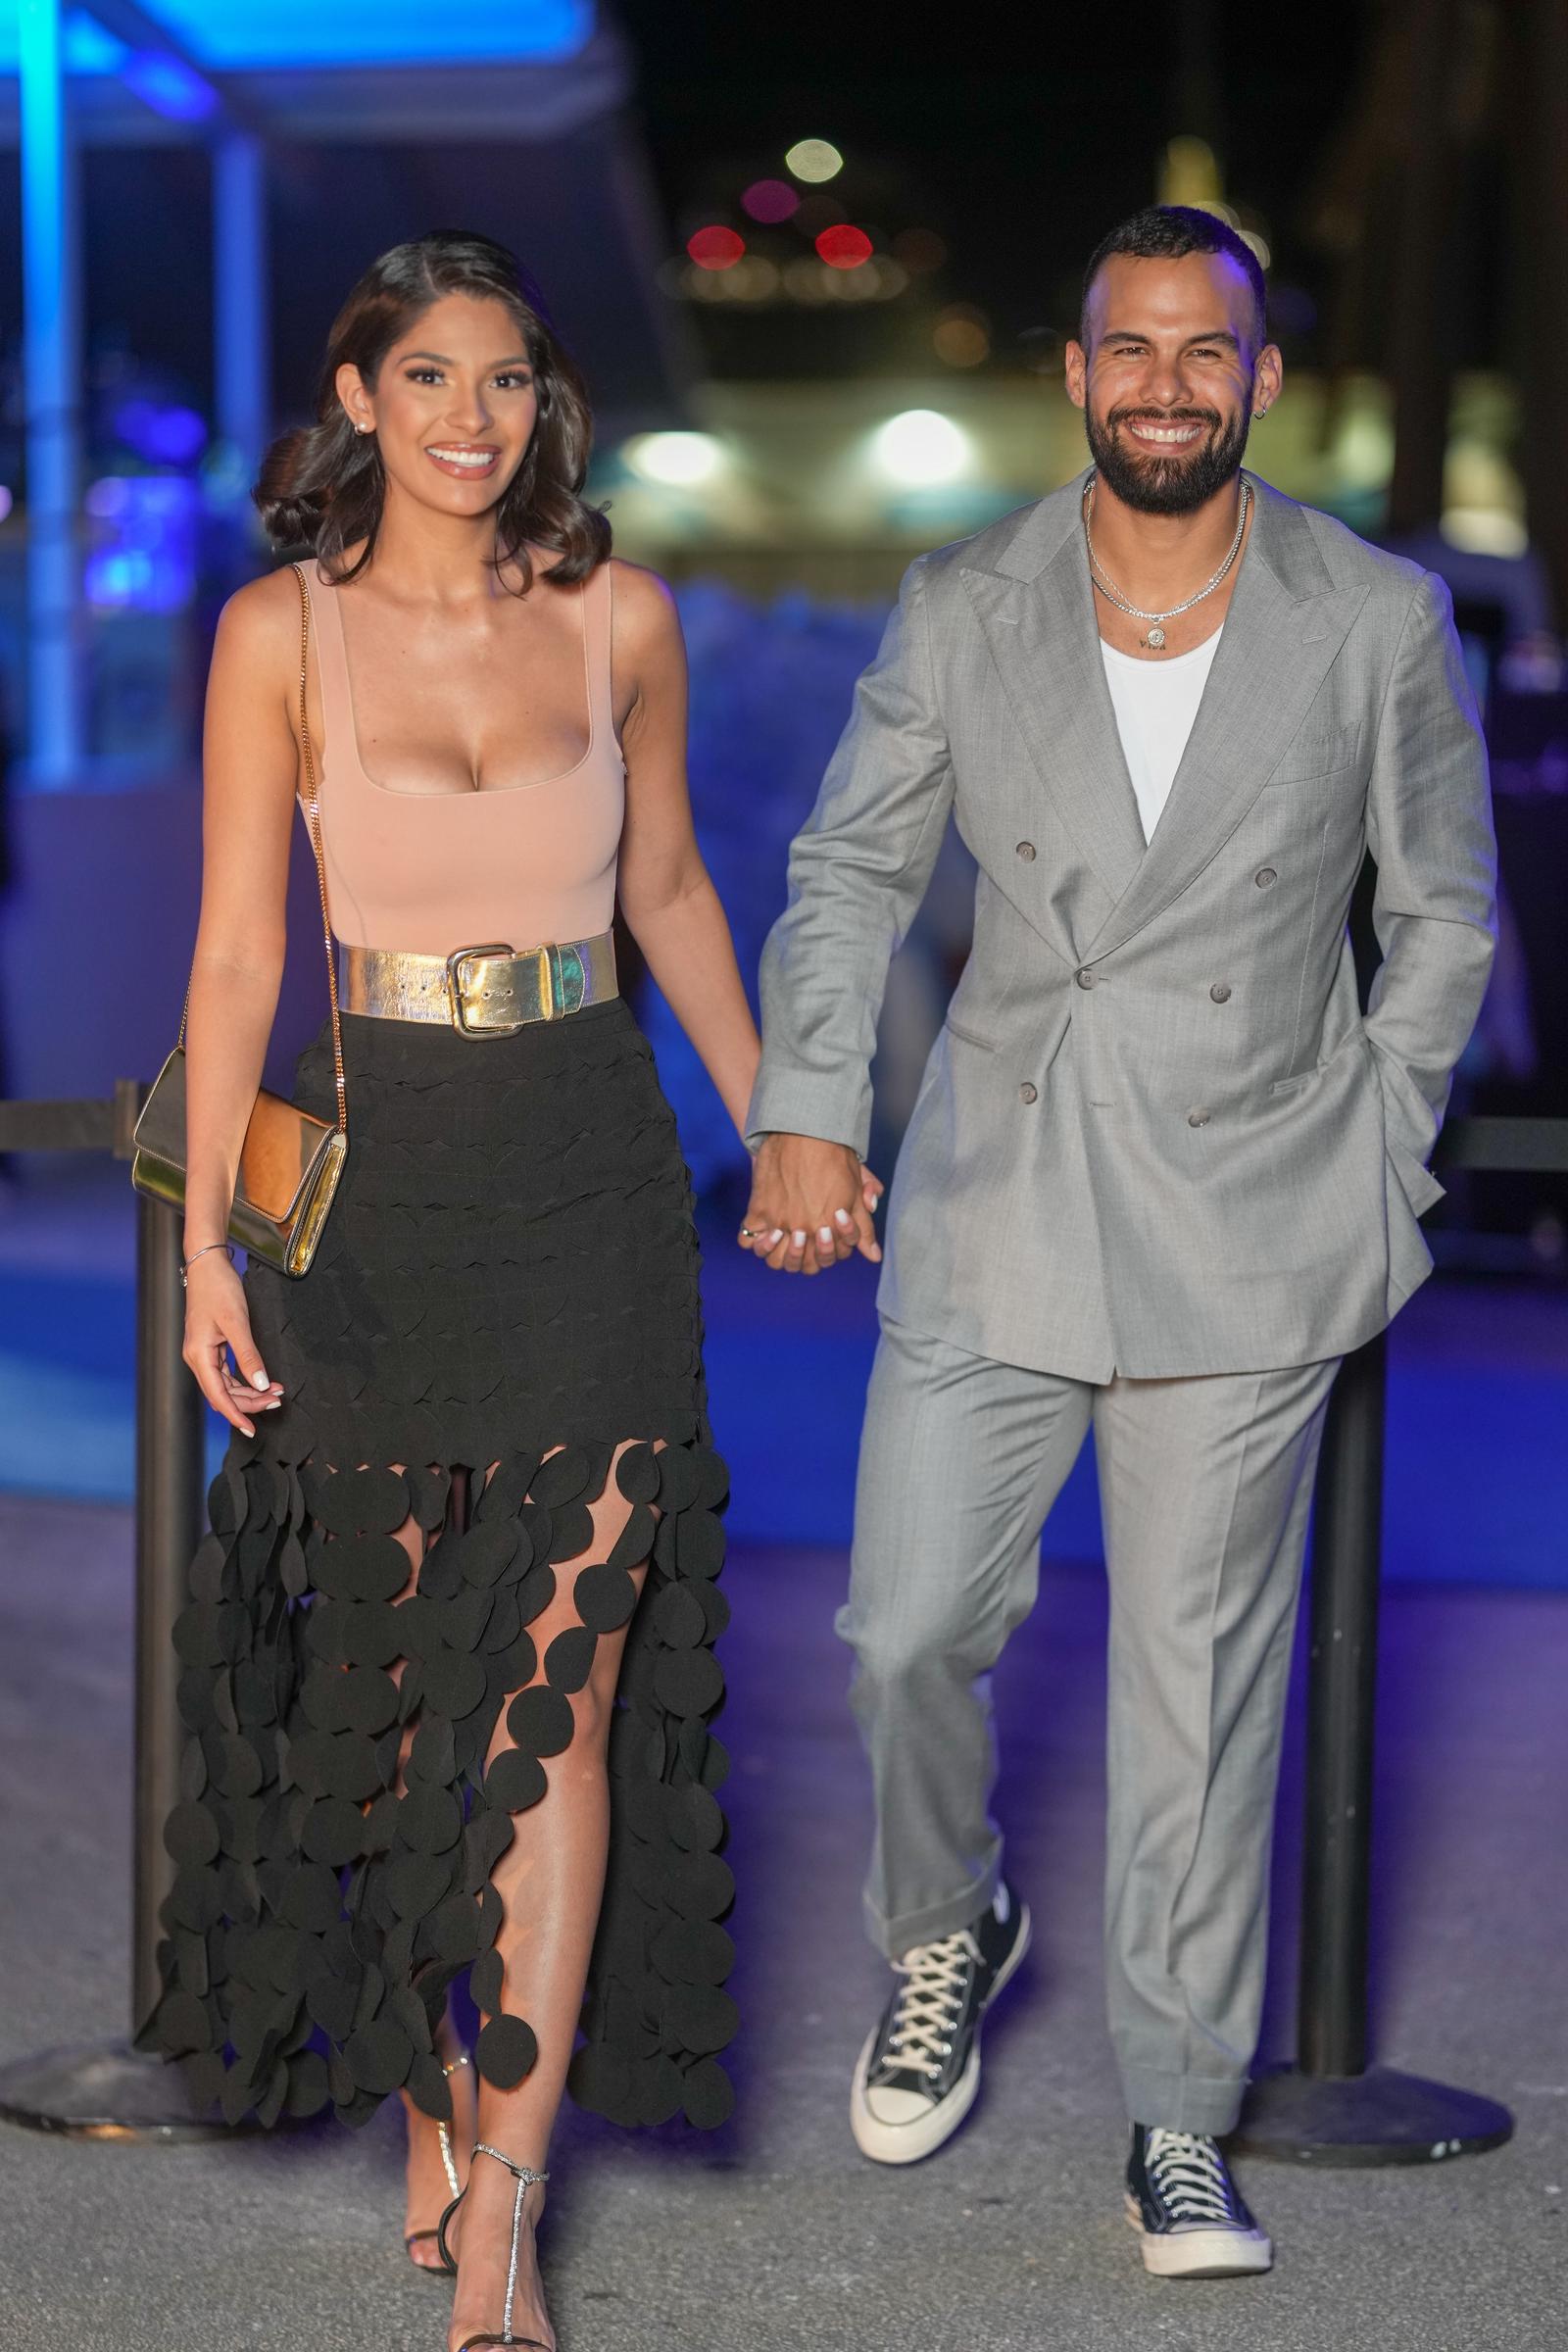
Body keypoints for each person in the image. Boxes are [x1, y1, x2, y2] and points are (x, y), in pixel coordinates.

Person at [742, 205, 1495, 2278]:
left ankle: (1178, 2109)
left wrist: (1377, 1144)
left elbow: (1438, 914)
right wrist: (809, 1105)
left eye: (1206, 350)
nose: (1165, 381)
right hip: (997, 1190)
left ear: (1256, 380)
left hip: (1250, 1216)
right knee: (900, 1625)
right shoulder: (963, 602)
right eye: (1127, 347)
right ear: (1072, 376)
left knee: (1193, 1689)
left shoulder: (1370, 616)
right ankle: (944, 1924)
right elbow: (843, 869)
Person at [140, 231, 761, 2352]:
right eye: (427, 377)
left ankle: (504, 2198)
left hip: (588, 1158)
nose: (471, 418)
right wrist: (205, 1242)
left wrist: (783, 1115)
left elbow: (666, 883)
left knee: (554, 1695)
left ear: (540, 404)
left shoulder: (619, 619)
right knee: (408, 1698)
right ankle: (441, 2079)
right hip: (380, 1158)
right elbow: (235, 955)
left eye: (503, 379)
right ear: (360, 400)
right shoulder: (274, 636)